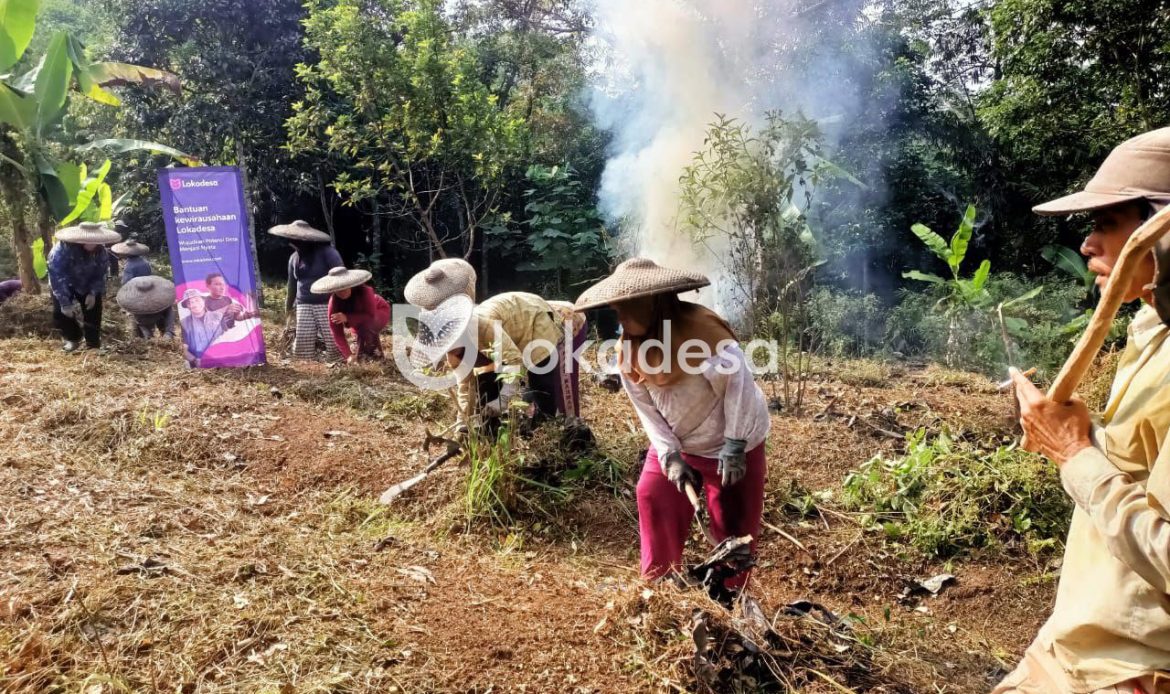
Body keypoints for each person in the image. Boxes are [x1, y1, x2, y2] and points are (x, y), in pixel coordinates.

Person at [998, 127, 1170, 694]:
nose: (1088, 247)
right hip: (1077, 641)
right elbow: (1136, 465)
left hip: (1134, 668)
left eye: (1107, 224)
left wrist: (1073, 452)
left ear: (1162, 236)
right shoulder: (1150, 325)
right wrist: (1075, 431)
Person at [574, 257, 770, 591]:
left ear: (650, 305)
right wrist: (669, 456)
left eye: (625, 310)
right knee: (652, 493)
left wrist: (735, 445)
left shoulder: (706, 336)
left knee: (731, 525)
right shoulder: (628, 351)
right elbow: (647, 410)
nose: (620, 319)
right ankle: (659, 586)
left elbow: (740, 390)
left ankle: (732, 598)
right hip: (679, 445)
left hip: (732, 446)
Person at [408, 259, 584, 430]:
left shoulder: (482, 326)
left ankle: (549, 432)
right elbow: (466, 388)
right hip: (503, 344)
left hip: (533, 320)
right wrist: (463, 423)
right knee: (484, 387)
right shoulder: (454, 354)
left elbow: (514, 360)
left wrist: (503, 400)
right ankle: (492, 431)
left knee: (542, 385)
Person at [270, 220, 343, 362]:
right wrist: (288, 306)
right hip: (303, 303)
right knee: (303, 343)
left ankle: (339, 363)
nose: (293, 242)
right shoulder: (293, 258)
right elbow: (292, 283)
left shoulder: (328, 253)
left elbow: (341, 278)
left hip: (326, 303)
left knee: (333, 339)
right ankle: (306, 364)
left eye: (296, 239)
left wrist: (342, 304)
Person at [47, 222, 122, 352]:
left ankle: (93, 344)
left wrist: (93, 292)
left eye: (95, 241)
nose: (93, 244)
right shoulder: (60, 252)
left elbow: (101, 274)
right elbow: (57, 278)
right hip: (64, 283)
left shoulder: (101, 252)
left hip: (87, 283)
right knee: (60, 313)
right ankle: (73, 339)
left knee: (94, 311)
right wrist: (65, 303)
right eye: (89, 241)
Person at [310, 266, 390, 363]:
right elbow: (336, 332)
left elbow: (370, 316)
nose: (341, 291)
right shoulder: (334, 302)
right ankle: (363, 356)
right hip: (357, 319)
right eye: (338, 289)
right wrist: (348, 355)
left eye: (344, 287)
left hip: (379, 310)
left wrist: (347, 317)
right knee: (362, 332)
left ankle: (372, 357)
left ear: (350, 285)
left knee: (367, 327)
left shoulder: (365, 291)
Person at [116, 275, 176, 339]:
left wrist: (168, 333)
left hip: (160, 317)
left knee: (164, 335)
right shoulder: (135, 306)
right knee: (140, 339)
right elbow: (139, 322)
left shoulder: (164, 300)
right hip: (143, 321)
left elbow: (169, 316)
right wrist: (147, 335)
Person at [179, 288, 227, 367]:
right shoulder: (184, 323)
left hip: (222, 361)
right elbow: (184, 348)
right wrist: (194, 360)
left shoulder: (219, 316)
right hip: (199, 366)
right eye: (189, 302)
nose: (193, 304)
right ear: (187, 306)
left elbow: (229, 338)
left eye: (197, 300)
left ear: (204, 301)